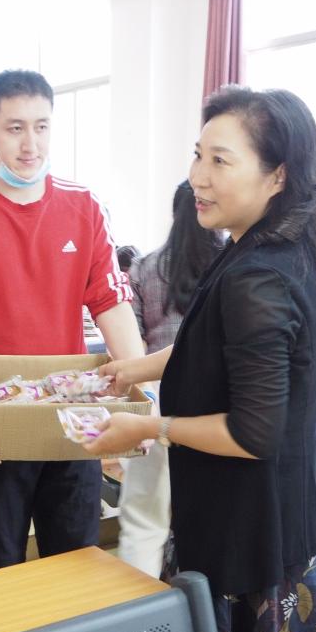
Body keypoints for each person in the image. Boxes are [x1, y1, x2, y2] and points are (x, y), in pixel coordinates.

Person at [84, 87, 316, 632]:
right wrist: (134, 368)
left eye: (221, 161)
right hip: (272, 515)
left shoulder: (259, 276)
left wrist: (148, 427)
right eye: (198, 155)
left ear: (277, 176)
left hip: (250, 535)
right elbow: (214, 349)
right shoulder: (269, 247)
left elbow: (253, 435)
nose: (198, 177)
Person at [0, 69, 143, 573]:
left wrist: (141, 399)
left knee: (76, 562)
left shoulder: (83, 205)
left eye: (42, 126)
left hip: (72, 416)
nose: (30, 144)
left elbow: (111, 302)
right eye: (14, 128)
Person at [118, 181, 221, 577]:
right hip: (214, 404)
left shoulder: (144, 266)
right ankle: (203, 603)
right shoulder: (230, 263)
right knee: (210, 514)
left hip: (156, 397)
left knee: (144, 519)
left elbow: (132, 342)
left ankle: (141, 609)